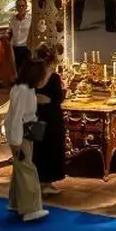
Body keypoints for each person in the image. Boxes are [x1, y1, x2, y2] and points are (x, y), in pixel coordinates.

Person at [6, 57, 49, 222]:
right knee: (27, 168)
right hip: (21, 132)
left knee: (21, 167)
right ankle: (31, 208)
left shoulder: (25, 89)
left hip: (26, 130)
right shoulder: (23, 91)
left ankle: (16, 202)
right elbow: (16, 117)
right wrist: (15, 142)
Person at [33, 45, 67, 195]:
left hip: (36, 115)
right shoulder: (54, 77)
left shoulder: (33, 75)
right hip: (52, 117)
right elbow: (58, 98)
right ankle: (46, 182)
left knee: (38, 148)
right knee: (51, 147)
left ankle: (39, 181)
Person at [9, 0, 33, 73]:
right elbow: (10, 32)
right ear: (16, 7)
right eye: (19, 6)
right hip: (14, 48)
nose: (21, 7)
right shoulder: (12, 19)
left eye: (23, 5)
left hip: (25, 48)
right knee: (15, 69)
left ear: (26, 7)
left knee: (25, 70)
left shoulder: (31, 19)